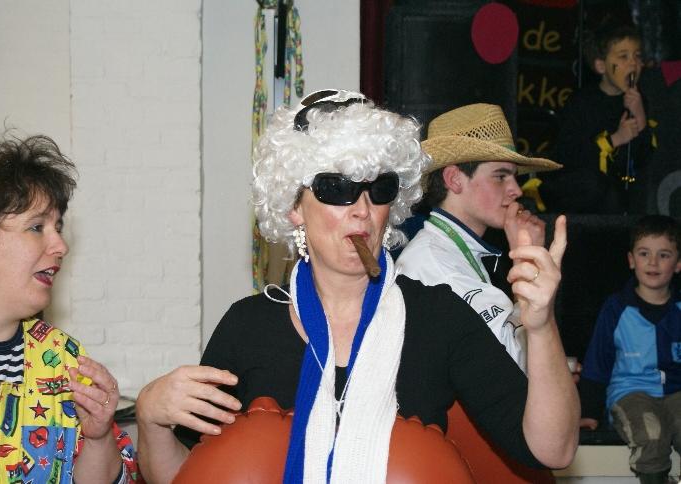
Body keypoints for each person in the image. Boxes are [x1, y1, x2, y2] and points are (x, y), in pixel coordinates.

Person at [136, 89, 579, 483]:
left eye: (379, 188)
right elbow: (185, 475)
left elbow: (552, 450)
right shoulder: (249, 326)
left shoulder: (437, 318)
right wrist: (151, 419)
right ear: (294, 207)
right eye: (336, 188)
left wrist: (541, 327)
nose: (363, 210)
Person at [0, 135, 138, 483]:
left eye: (59, 227)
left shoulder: (63, 359)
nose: (60, 246)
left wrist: (98, 439)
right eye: (37, 227)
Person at [396, 103, 562, 374]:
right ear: (454, 179)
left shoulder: (450, 251)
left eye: (514, 177)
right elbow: (510, 370)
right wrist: (527, 266)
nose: (516, 190)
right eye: (500, 177)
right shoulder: (438, 267)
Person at [578, 215, 681, 484]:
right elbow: (597, 363)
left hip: (677, 394)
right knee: (652, 434)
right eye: (644, 253)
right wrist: (588, 412)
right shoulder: (616, 309)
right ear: (631, 260)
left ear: (678, 263)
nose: (653, 262)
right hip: (631, 393)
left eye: (664, 255)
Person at [537, 20, 657, 214]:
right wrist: (615, 139)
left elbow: (642, 160)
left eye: (637, 56)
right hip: (578, 191)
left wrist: (640, 117)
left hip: (615, 194)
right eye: (623, 56)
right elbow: (568, 156)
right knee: (596, 185)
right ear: (601, 66)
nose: (633, 63)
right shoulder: (582, 102)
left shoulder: (639, 101)